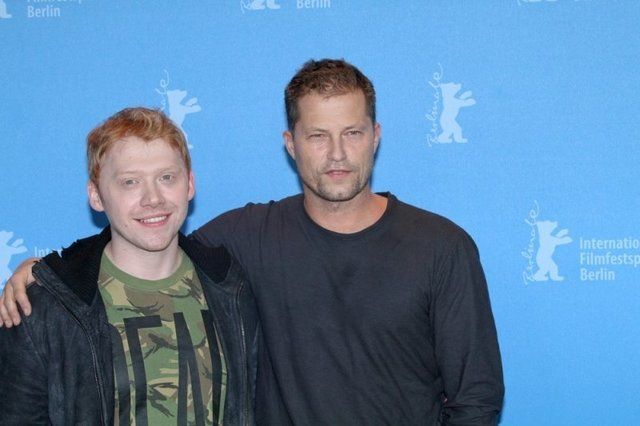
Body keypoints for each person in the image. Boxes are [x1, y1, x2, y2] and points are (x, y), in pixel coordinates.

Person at [1, 59, 504, 425]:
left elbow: (476, 399)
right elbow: (146, 234)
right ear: (290, 144)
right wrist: (45, 272)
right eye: (317, 136)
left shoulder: (442, 247)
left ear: (375, 136)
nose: (337, 154)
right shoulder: (246, 238)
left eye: (351, 133)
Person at [0, 108, 259, 425]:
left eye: (166, 177)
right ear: (96, 196)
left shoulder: (231, 289)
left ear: (190, 184)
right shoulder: (44, 308)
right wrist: (48, 275)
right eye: (130, 182)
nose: (153, 198)